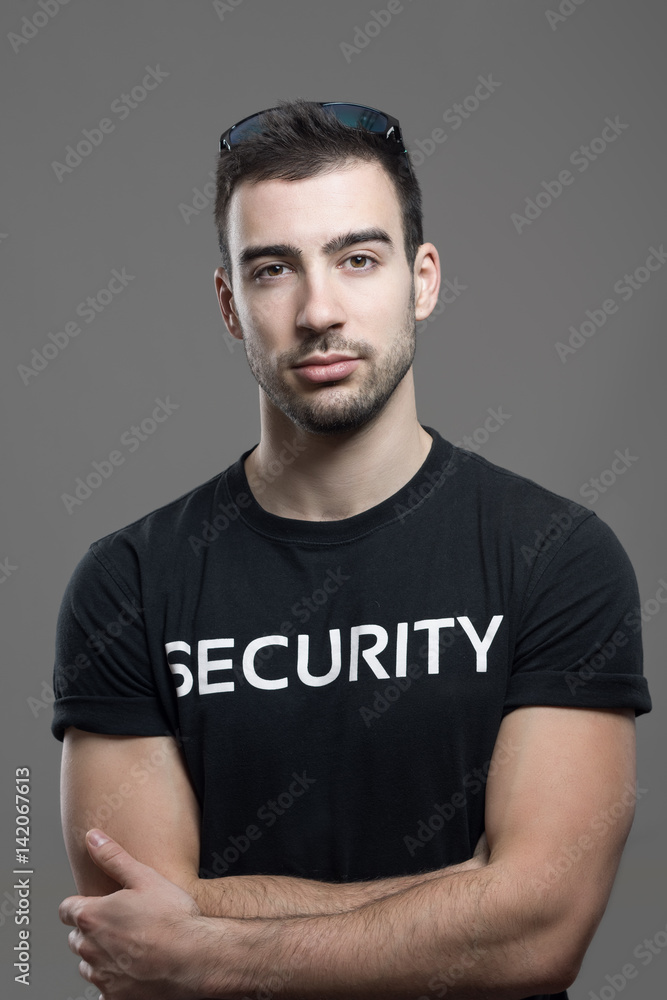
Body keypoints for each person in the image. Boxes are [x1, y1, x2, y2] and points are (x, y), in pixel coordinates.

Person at [53, 99, 651, 1000]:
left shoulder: (555, 556)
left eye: (357, 259)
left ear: (423, 280)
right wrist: (468, 890)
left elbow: (540, 929)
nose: (317, 310)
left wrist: (211, 945)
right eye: (271, 270)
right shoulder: (130, 583)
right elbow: (132, 935)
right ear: (228, 304)